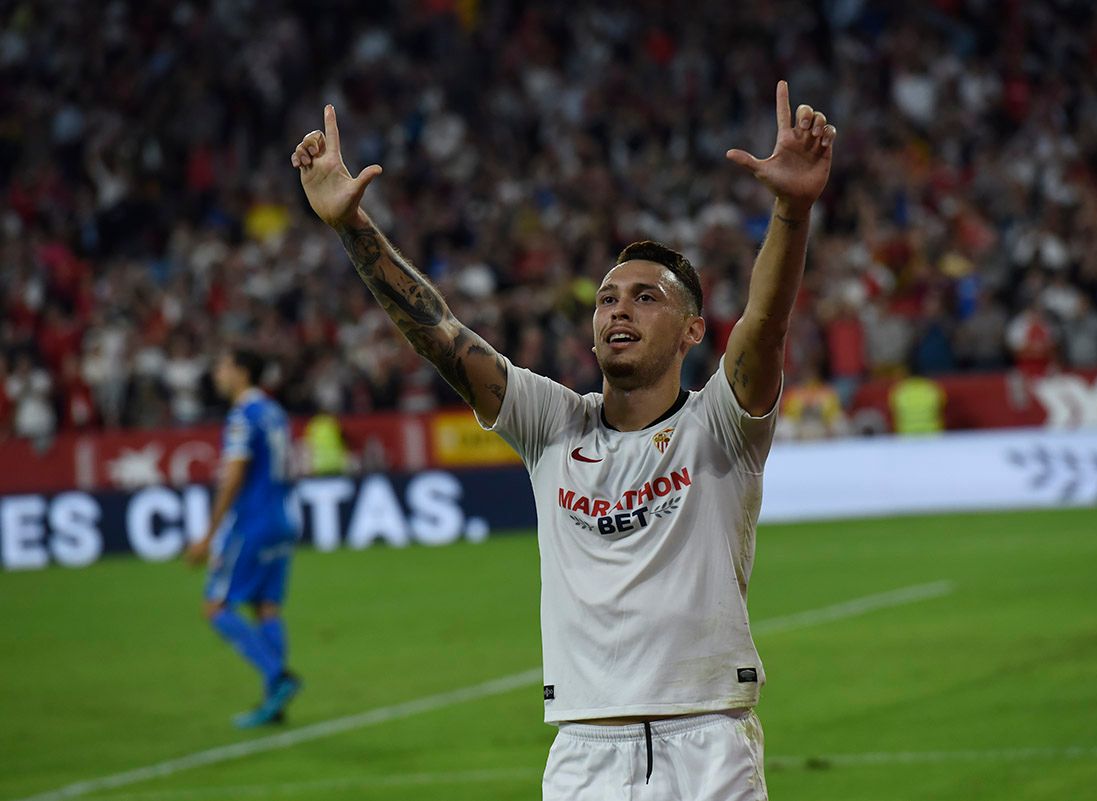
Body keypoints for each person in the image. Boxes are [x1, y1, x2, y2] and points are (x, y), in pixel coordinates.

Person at [291, 80, 836, 800]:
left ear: (693, 332)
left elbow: (765, 325)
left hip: (708, 741)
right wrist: (351, 227)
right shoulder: (553, 424)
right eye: (607, 298)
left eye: (646, 297)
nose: (618, 310)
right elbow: (440, 335)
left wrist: (791, 209)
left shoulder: (721, 425)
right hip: (584, 752)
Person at [185, 348, 302, 728]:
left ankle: (278, 677)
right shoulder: (274, 411)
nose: (217, 373)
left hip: (252, 522)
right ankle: (274, 703)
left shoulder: (242, 416)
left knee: (216, 607)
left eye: (222, 366)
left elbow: (234, 475)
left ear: (242, 372)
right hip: (283, 518)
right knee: (267, 607)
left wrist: (208, 535)